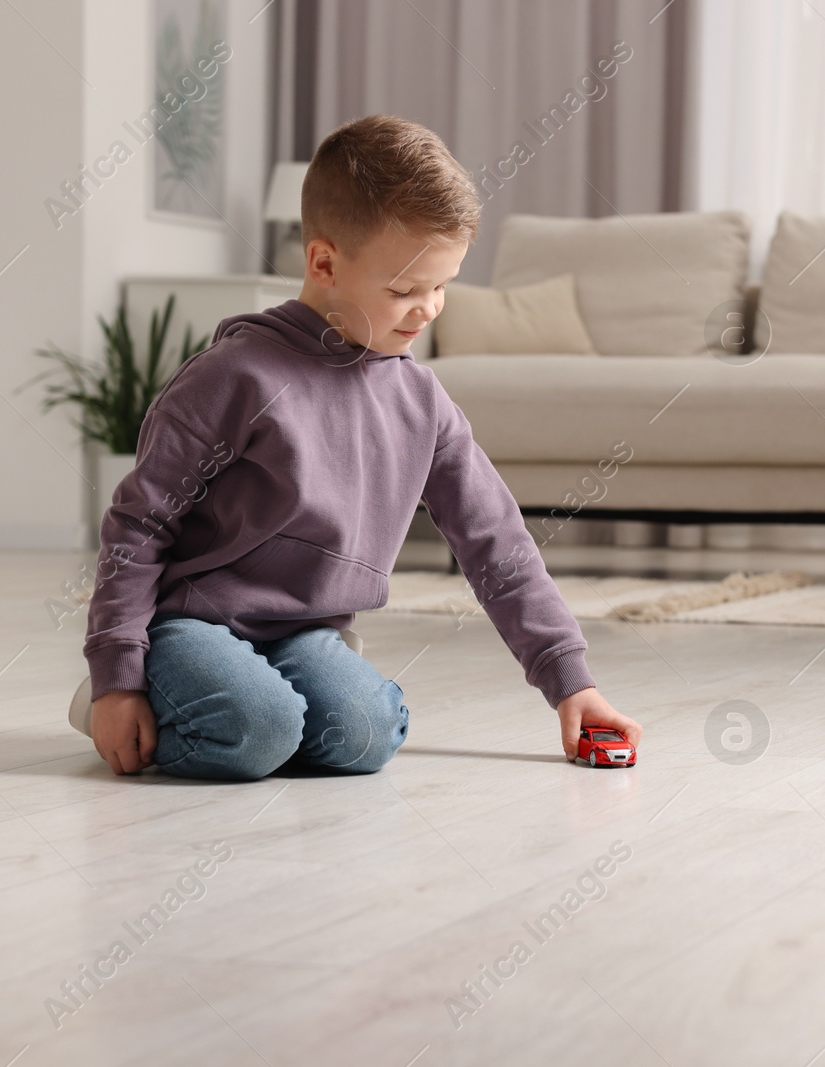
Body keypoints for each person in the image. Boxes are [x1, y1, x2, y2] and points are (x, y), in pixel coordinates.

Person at [71, 114, 642, 780]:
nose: (428, 309)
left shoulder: (423, 404)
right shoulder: (233, 376)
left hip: (304, 632)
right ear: (323, 263)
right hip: (193, 622)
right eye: (404, 289)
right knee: (257, 730)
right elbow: (139, 526)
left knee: (365, 736)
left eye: (443, 286)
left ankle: (276, 707)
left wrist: (571, 682)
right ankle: (139, 697)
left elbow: (497, 544)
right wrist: (115, 673)